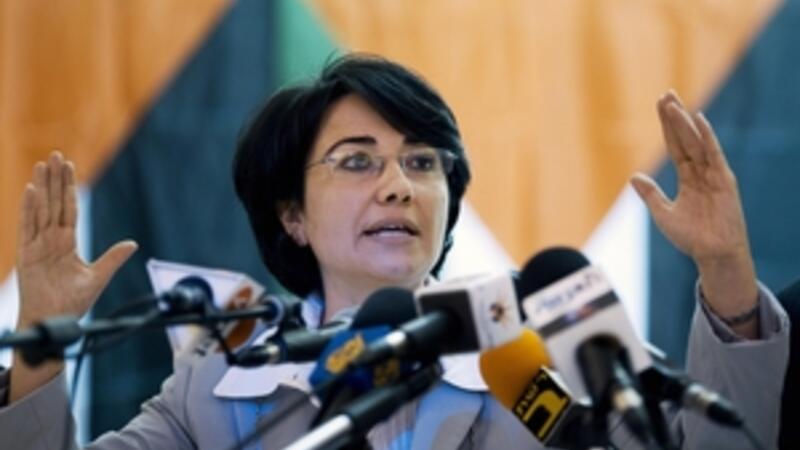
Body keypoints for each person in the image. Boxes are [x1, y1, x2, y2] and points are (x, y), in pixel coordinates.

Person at [0, 54, 789, 449]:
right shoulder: (220, 384)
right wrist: (40, 334)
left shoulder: (543, 328)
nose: (398, 187)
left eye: (422, 162)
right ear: (293, 216)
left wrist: (725, 271)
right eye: (357, 162)